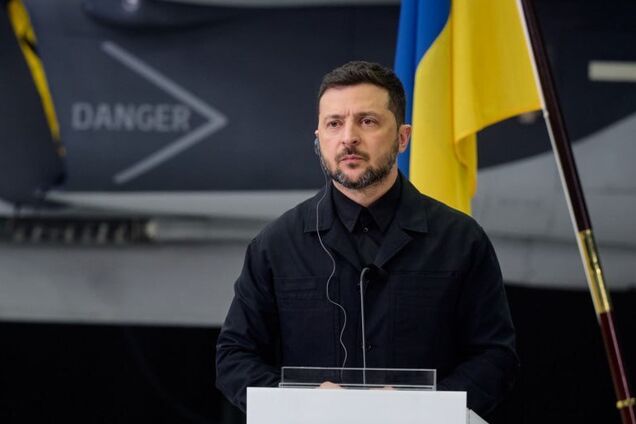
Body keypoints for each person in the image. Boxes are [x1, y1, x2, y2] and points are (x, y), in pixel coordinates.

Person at [216, 61, 517, 416]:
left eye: (367, 121)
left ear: (403, 138)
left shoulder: (461, 240)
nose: (349, 138)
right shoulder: (276, 244)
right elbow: (235, 358)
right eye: (334, 124)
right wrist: (301, 402)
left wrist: (420, 409)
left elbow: (495, 357)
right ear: (318, 138)